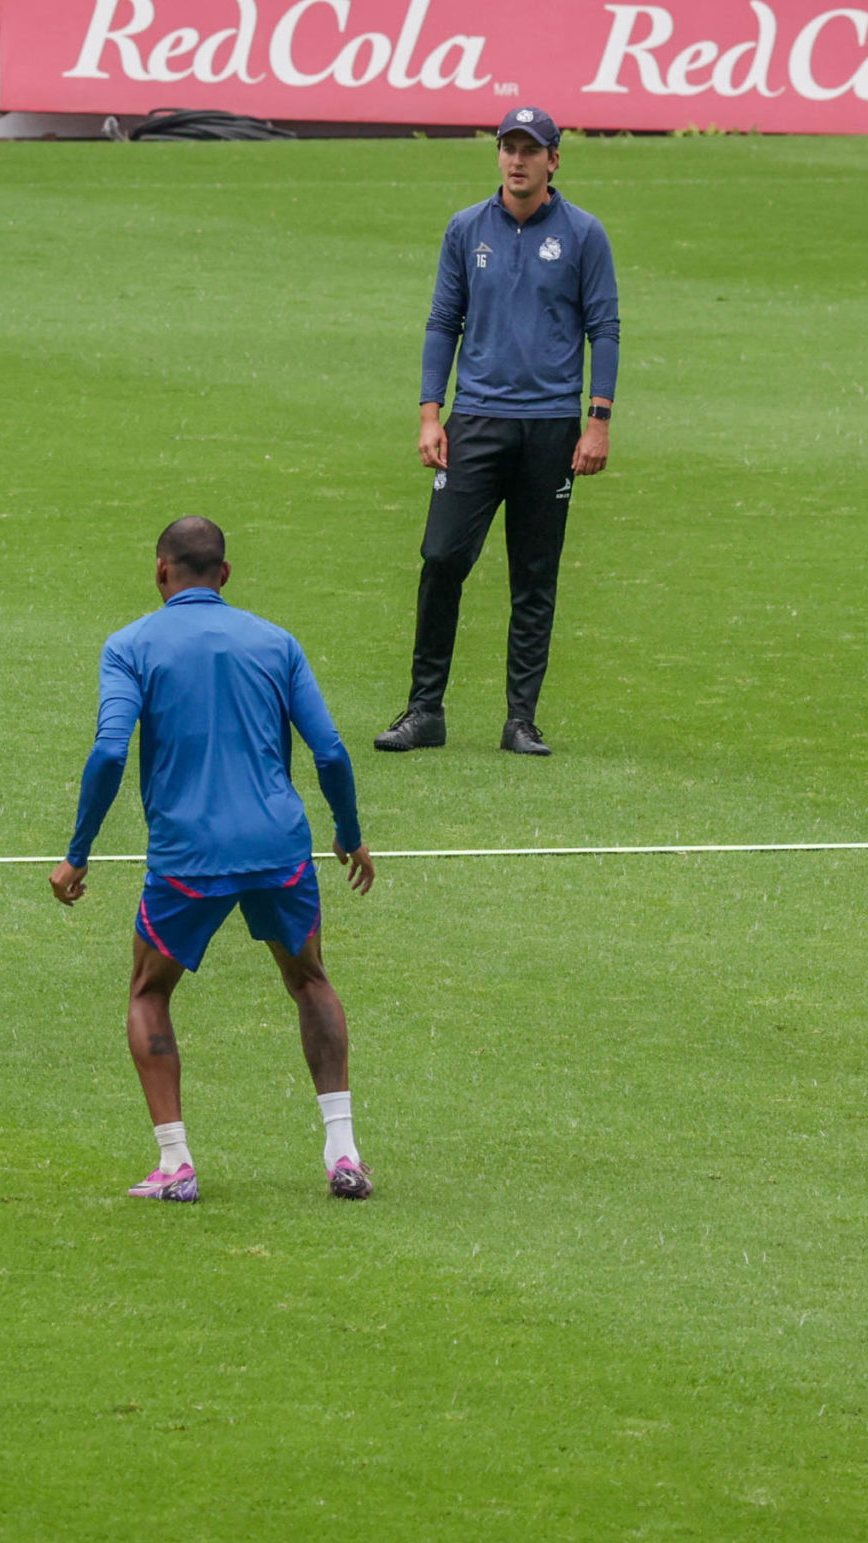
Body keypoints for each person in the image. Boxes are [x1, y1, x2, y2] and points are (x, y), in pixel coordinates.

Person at [51, 517, 376, 1204]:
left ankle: (176, 1163)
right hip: (278, 847)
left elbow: (110, 751)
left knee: (149, 990)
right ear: (224, 574)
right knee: (310, 980)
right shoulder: (276, 642)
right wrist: (348, 832)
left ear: (160, 571)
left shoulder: (130, 645)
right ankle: (343, 1152)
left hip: (187, 857)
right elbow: (330, 752)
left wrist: (77, 854)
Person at [377, 107, 619, 759]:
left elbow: (605, 328)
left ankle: (521, 721)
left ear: (554, 159)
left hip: (550, 429)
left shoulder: (583, 234)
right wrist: (431, 412)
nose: (517, 160)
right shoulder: (466, 229)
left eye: (529, 150)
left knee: (534, 575)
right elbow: (441, 321)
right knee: (441, 557)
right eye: (508, 148)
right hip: (476, 420)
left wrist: (598, 420)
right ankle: (425, 709)